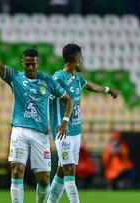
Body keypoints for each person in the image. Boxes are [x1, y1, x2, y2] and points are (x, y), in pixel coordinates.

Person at [0, 21, 72, 203]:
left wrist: (66, 120)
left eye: (33, 64)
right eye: (27, 64)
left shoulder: (48, 81)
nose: (30, 67)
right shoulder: (15, 77)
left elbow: (68, 99)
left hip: (40, 134)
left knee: (44, 180)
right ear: (23, 62)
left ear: (38, 63)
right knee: (16, 170)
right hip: (19, 130)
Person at [47, 43, 119, 203]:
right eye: (81, 58)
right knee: (69, 170)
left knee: (61, 170)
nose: (83, 61)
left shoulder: (77, 79)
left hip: (76, 131)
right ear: (75, 60)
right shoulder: (57, 78)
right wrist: (62, 121)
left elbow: (90, 86)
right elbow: (49, 99)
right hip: (63, 131)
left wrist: (108, 90)